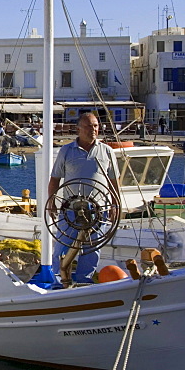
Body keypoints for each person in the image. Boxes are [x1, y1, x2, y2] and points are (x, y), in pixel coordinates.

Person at [47, 113, 121, 285]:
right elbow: (55, 179)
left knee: (92, 248)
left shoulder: (107, 151)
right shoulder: (66, 151)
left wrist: (115, 205)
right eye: (88, 126)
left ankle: (84, 281)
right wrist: (51, 202)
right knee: (62, 245)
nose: (93, 130)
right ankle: (58, 281)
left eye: (95, 126)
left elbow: (114, 181)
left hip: (98, 209)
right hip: (71, 209)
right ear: (78, 129)